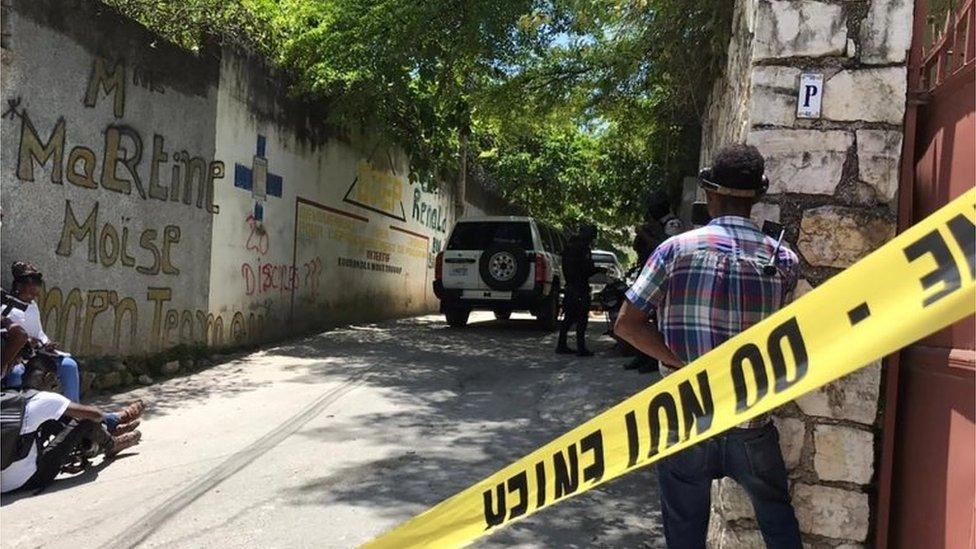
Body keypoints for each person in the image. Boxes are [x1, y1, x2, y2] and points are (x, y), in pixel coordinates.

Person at [615, 144, 802, 549]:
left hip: (686, 418)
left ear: (710, 193)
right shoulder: (783, 260)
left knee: (684, 532)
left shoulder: (674, 251)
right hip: (751, 420)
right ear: (758, 195)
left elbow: (627, 325)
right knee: (778, 521)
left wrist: (680, 362)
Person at [1, 357, 144, 494]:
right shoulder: (45, 399)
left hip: (3, 483)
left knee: (57, 418)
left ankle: (101, 437)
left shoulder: (9, 397)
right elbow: (96, 415)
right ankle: (112, 445)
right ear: (48, 377)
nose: (55, 386)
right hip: (30, 479)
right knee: (85, 420)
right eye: (55, 380)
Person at [2, 262, 81, 401]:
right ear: (19, 287)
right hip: (17, 358)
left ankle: (72, 411)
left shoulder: (32, 307)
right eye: (31, 293)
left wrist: (46, 342)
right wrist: (26, 343)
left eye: (36, 294)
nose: (34, 297)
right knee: (17, 373)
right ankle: (19, 413)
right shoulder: (5, 307)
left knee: (69, 365)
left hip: (37, 355)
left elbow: (39, 332)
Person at [556, 224, 601, 357]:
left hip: (570, 287)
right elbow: (586, 269)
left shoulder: (570, 247)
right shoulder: (582, 248)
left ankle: (561, 345)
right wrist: (598, 270)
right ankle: (581, 348)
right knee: (581, 319)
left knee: (568, 318)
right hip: (579, 287)